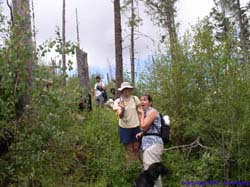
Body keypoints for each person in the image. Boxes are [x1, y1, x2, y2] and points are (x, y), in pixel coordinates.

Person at [136, 94, 164, 187]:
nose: (142, 102)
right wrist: (141, 134)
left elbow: (143, 125)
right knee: (149, 172)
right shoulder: (146, 112)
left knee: (153, 172)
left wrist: (141, 113)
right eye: (141, 100)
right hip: (148, 146)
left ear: (150, 102)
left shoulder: (152, 111)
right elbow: (146, 128)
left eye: (144, 100)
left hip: (153, 145)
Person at [113, 82, 141, 161]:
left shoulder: (135, 99)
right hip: (124, 128)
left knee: (136, 148)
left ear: (130, 90)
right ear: (122, 91)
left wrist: (142, 124)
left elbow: (140, 112)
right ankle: (129, 167)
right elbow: (120, 116)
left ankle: (137, 165)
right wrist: (122, 108)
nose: (126, 91)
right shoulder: (118, 101)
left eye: (128, 89)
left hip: (136, 126)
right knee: (128, 149)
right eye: (124, 89)